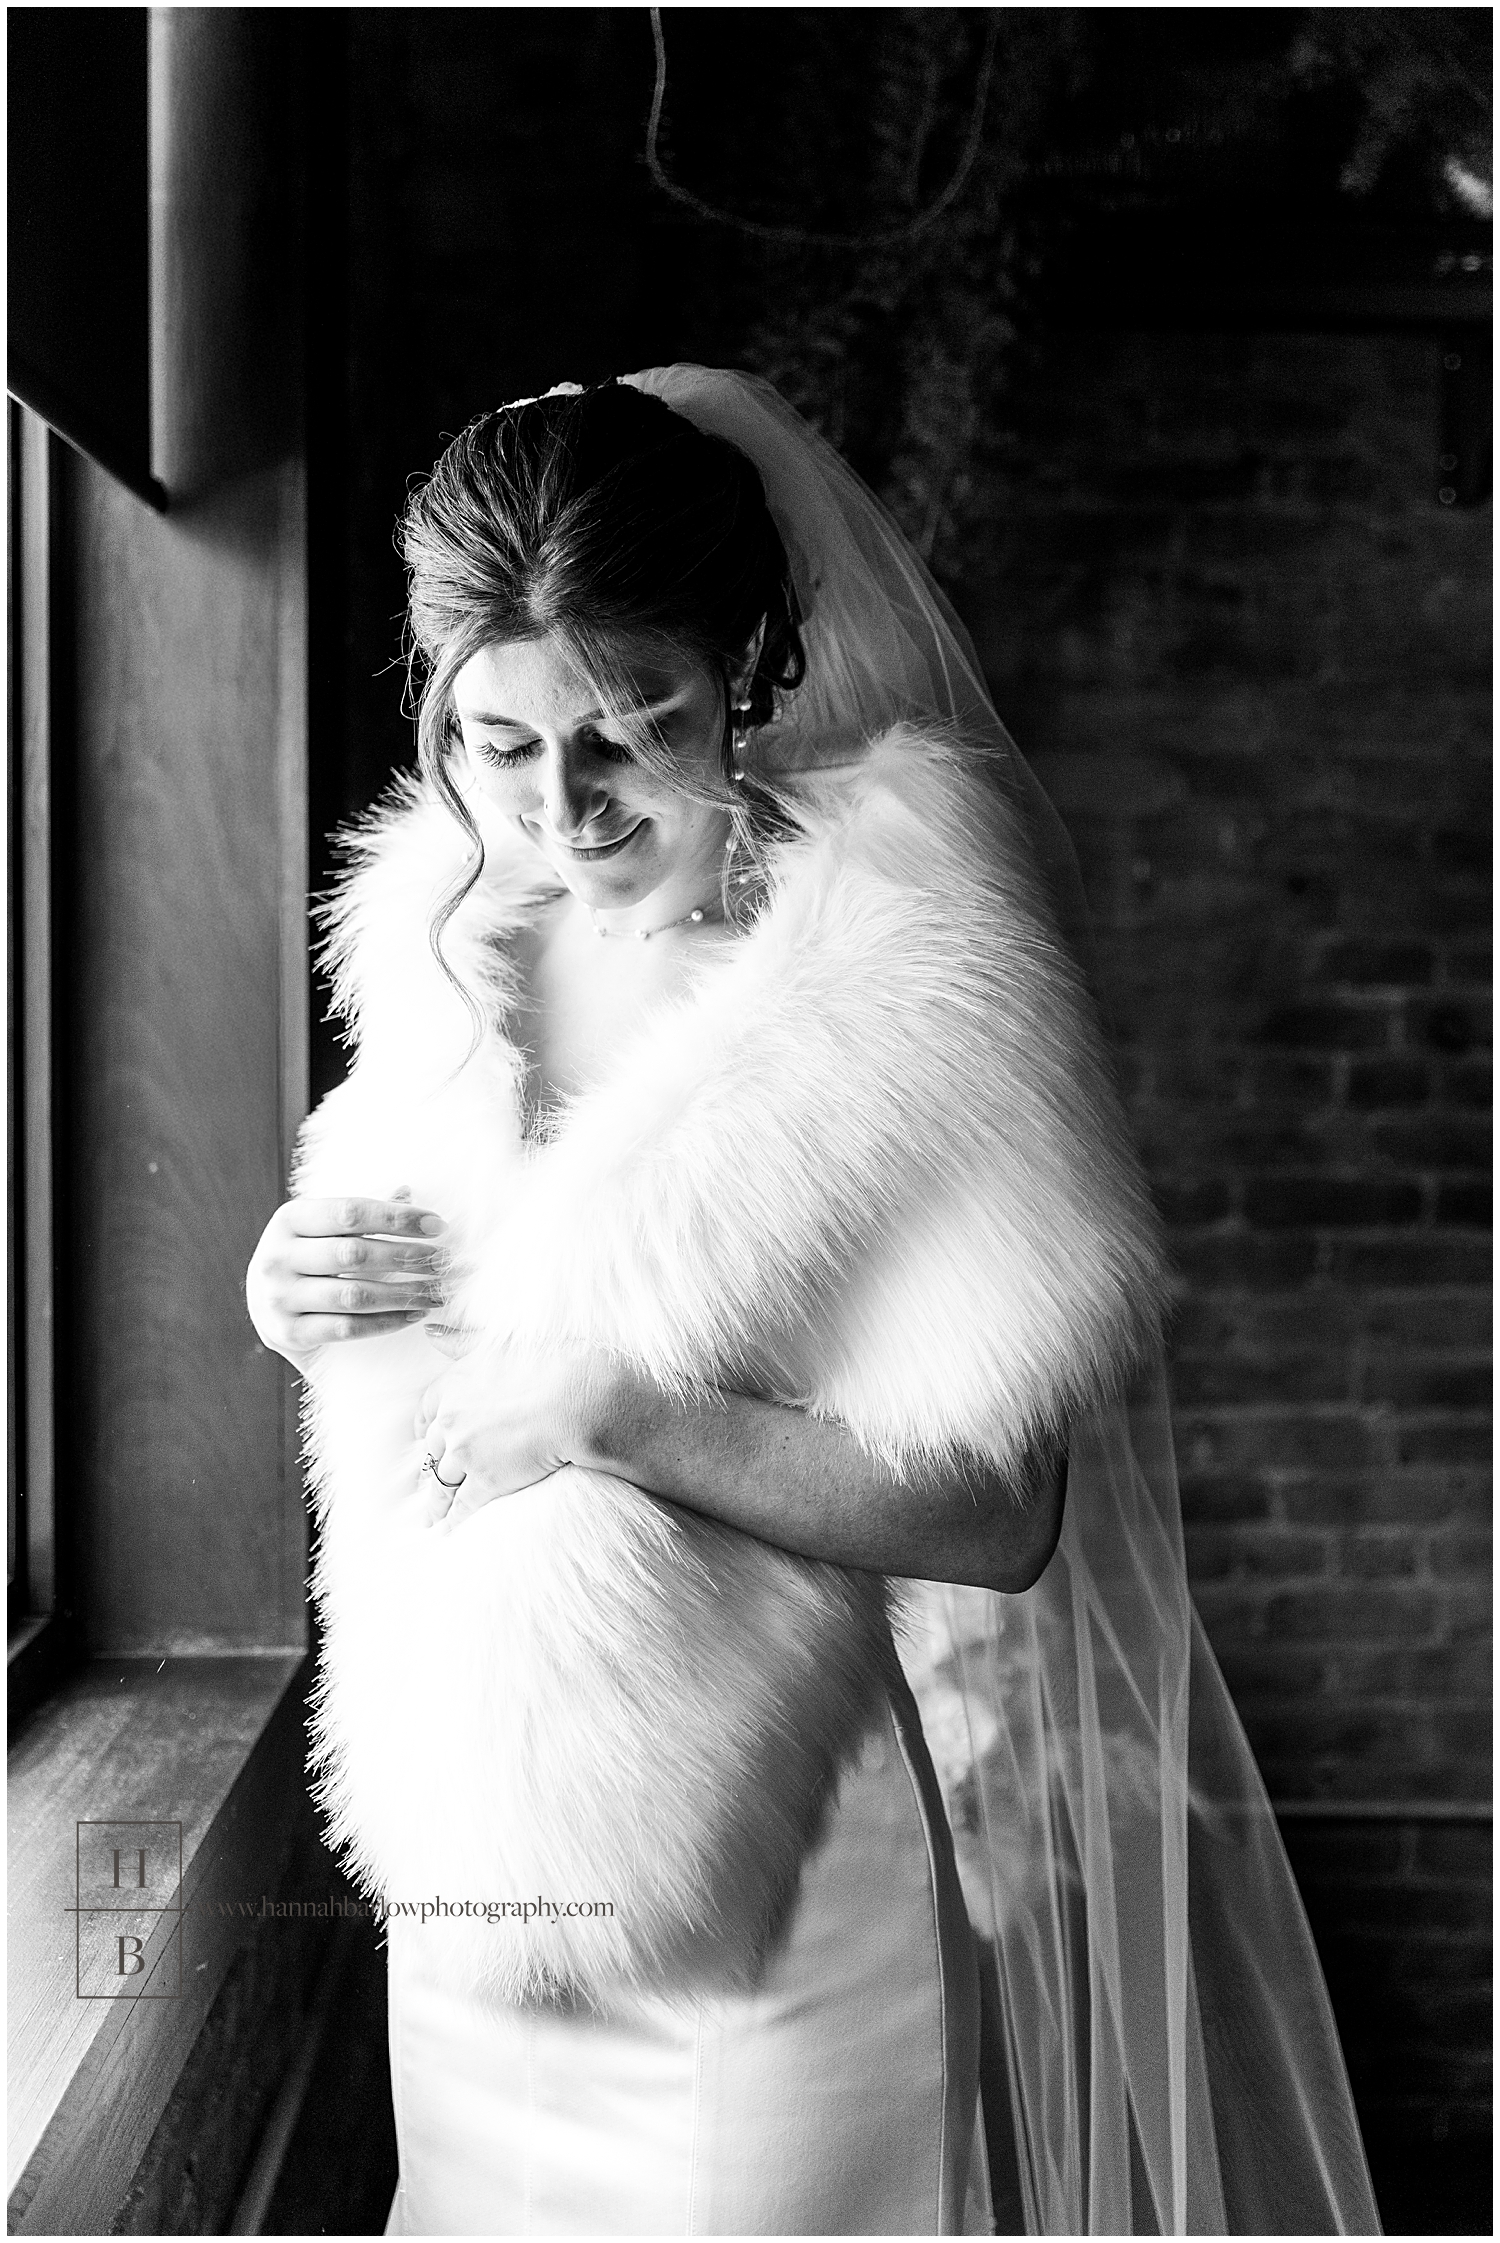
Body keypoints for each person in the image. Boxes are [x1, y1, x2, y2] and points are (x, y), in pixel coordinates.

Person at [246, 369, 1380, 2237]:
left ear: (752, 663)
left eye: (633, 729)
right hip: (473, 1899)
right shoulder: (448, 950)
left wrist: (622, 1414)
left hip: (766, 1902)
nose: (562, 808)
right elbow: (439, 1372)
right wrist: (307, 1297)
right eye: (498, 744)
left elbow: (1002, 1517)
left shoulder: (896, 988)